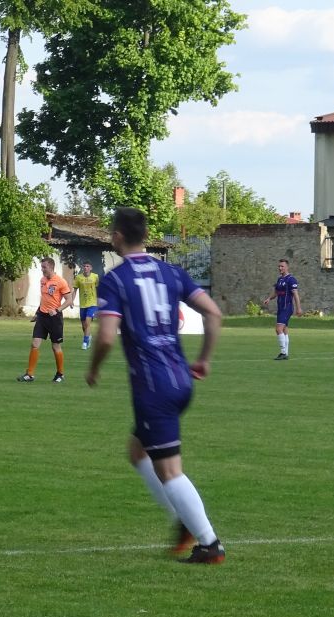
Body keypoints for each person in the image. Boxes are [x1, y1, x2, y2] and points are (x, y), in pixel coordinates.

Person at [86, 208, 226, 564]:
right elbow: (213, 313)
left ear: (117, 236)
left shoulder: (116, 280)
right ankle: (184, 519)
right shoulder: (172, 272)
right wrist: (204, 358)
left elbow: (106, 337)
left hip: (153, 386)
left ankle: (208, 543)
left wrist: (94, 369)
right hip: (180, 379)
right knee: (138, 452)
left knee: (169, 470)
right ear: (146, 236)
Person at [19, 257, 75, 383]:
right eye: (42, 267)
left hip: (54, 319)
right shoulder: (42, 280)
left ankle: (60, 374)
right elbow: (44, 299)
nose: (42, 269)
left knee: (56, 347)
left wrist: (57, 310)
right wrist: (37, 312)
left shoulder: (60, 281)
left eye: (44, 267)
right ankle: (30, 374)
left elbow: (69, 300)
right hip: (42, 317)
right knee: (35, 344)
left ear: (51, 267)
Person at [261, 259, 300, 360]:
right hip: (280, 308)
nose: (280, 268)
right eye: (279, 266)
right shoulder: (279, 279)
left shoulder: (291, 279)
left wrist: (298, 308)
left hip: (287, 308)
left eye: (282, 266)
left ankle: (283, 353)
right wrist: (269, 298)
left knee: (278, 329)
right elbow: (276, 293)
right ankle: (285, 353)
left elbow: (296, 295)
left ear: (287, 267)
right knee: (284, 330)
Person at [72, 261, 100, 350]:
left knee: (87, 323)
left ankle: (85, 343)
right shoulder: (78, 277)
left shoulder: (95, 277)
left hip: (92, 304)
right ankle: (88, 337)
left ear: (91, 268)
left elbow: (98, 289)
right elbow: (75, 290)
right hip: (83, 305)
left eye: (87, 266)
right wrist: (71, 301)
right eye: (84, 266)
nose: (85, 268)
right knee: (84, 326)